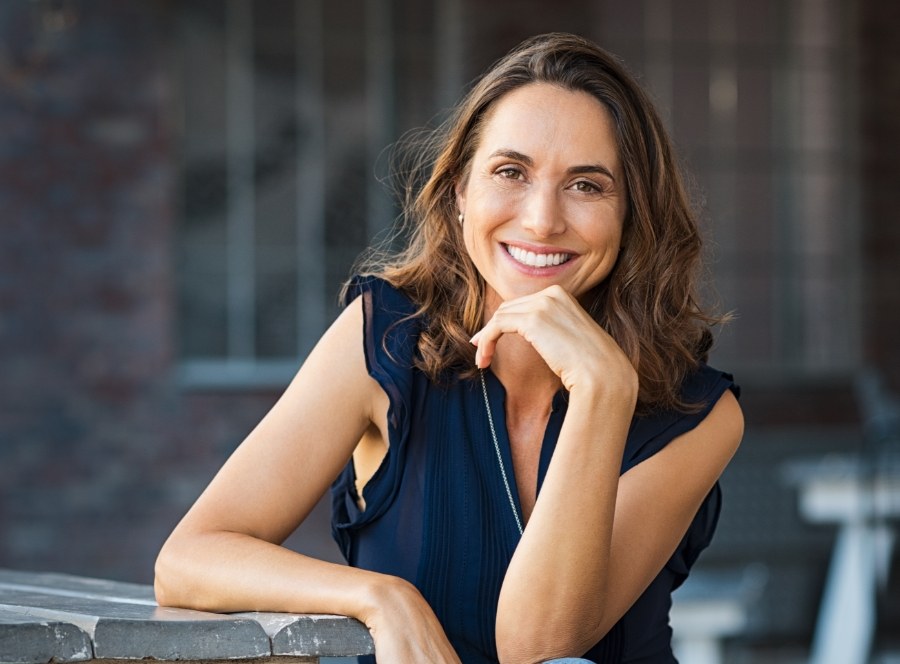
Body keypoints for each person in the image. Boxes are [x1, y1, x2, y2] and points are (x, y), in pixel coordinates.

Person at [155, 32, 743, 664]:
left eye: (587, 185)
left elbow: (535, 644)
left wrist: (604, 391)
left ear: (632, 216)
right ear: (461, 193)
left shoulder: (699, 414)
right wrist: (381, 598)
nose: (542, 219)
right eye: (510, 172)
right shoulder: (382, 338)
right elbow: (190, 558)